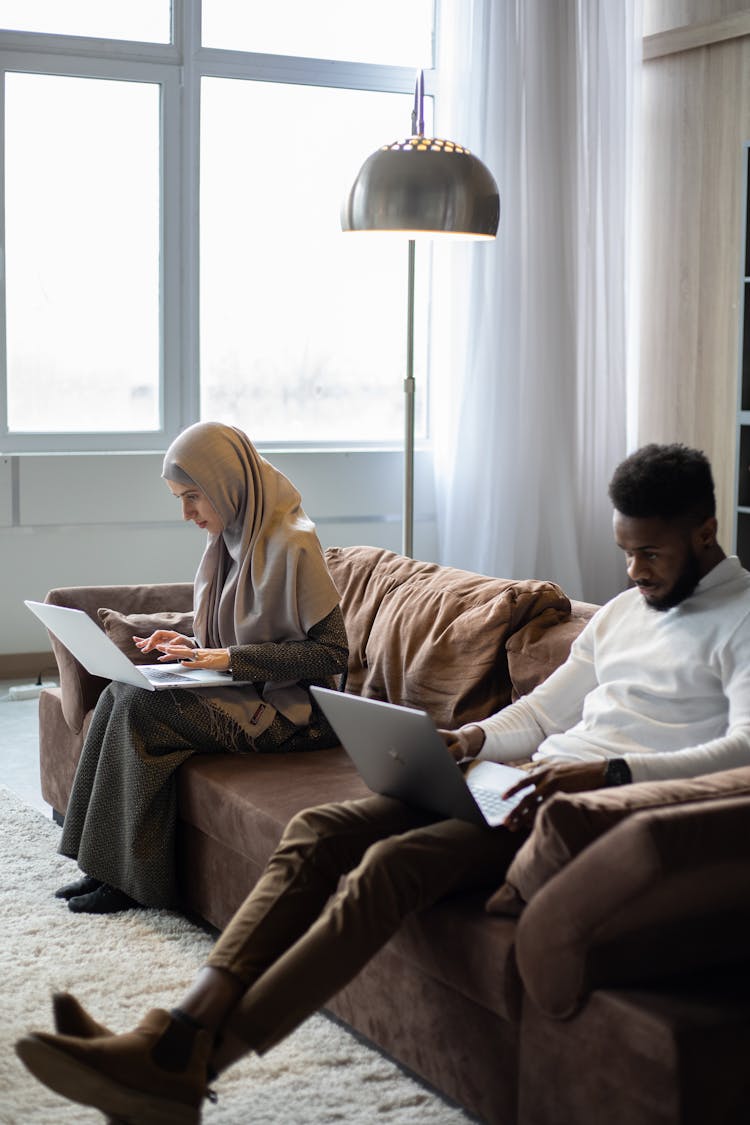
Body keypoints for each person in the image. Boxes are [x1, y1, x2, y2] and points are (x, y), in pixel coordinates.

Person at [17, 443, 750, 1123]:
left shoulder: (741, 618)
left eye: (649, 553)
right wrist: (472, 737)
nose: (633, 572)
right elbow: (544, 710)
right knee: (319, 830)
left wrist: (609, 771)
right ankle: (178, 1032)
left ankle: (183, 1060)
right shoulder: (625, 612)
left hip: (594, 810)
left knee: (389, 868)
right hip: (522, 780)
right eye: (624, 551)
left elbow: (743, 748)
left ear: (706, 530)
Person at [53, 421, 348, 914]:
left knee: (139, 712)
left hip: (298, 715)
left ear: (227, 485)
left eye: (193, 497)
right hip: (249, 687)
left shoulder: (295, 545)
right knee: (117, 694)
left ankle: (131, 885)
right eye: (179, 499)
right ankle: (98, 866)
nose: (186, 513)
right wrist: (194, 642)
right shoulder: (232, 538)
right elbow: (244, 627)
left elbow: (331, 655)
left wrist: (228, 659)